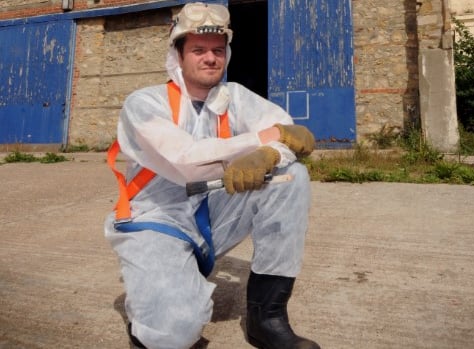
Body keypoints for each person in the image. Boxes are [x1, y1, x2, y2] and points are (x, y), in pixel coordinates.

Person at [104, 2, 320, 349]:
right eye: (199, 50)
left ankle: (267, 317)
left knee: (290, 176)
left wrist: (270, 153)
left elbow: (287, 131)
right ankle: (150, 301)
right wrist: (264, 140)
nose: (210, 58)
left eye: (218, 50)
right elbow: (185, 161)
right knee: (172, 334)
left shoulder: (234, 97)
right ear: (178, 55)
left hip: (211, 217)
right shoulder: (144, 104)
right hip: (156, 222)